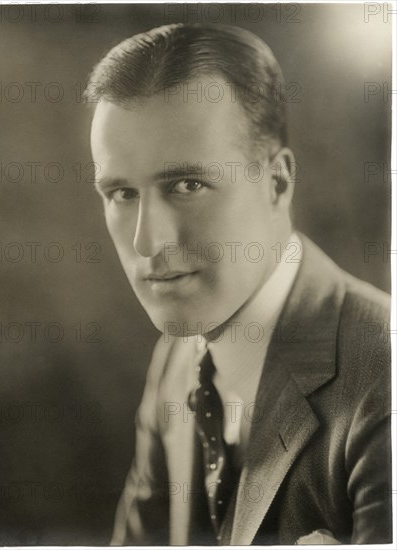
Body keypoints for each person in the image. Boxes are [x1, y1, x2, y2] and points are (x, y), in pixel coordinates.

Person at [85, 23, 391, 545]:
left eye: (187, 185)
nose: (146, 242)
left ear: (277, 183)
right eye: (121, 194)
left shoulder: (385, 379)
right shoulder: (178, 362)